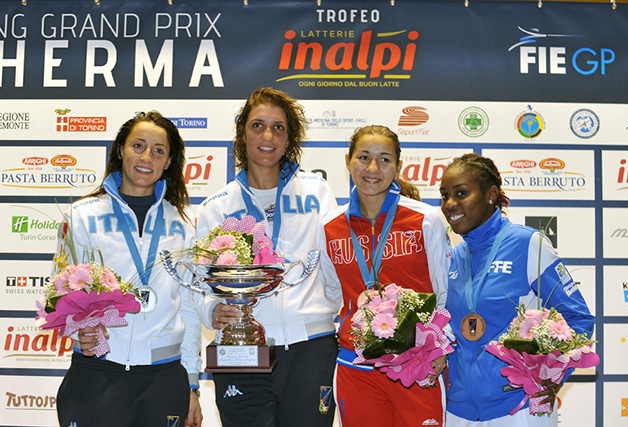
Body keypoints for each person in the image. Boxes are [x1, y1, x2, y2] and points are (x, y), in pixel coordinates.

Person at [196, 87, 341, 427]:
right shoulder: (216, 206)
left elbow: (337, 265)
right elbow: (200, 286)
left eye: (278, 127)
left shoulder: (317, 192)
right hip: (240, 347)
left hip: (311, 348)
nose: (267, 136)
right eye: (257, 125)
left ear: (290, 137)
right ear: (242, 133)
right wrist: (213, 310)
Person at [55, 111, 208, 427]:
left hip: (163, 378)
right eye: (138, 146)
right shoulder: (80, 215)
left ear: (168, 162)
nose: (146, 157)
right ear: (121, 150)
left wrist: (192, 383)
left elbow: (191, 309)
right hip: (97, 369)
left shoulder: (184, 223)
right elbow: (57, 294)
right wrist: (76, 328)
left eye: (158, 150)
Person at [439, 153, 595, 426]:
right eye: (444, 195)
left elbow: (578, 318)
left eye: (461, 193)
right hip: (459, 411)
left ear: (491, 195)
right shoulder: (453, 257)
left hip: (519, 407)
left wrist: (551, 375)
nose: (450, 204)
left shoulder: (528, 244)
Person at [318, 125, 452, 427]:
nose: (373, 168)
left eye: (385, 159)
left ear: (398, 166)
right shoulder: (329, 225)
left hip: (416, 363)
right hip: (356, 366)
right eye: (363, 157)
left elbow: (444, 292)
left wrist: (441, 345)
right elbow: (332, 293)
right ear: (348, 161)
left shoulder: (425, 219)